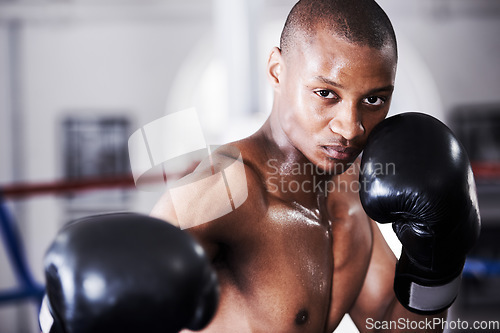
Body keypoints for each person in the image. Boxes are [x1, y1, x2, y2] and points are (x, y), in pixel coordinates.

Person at [150, 0, 480, 332]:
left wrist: (436, 264)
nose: (351, 128)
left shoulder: (350, 198)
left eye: (374, 100)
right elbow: (127, 297)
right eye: (325, 93)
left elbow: (394, 327)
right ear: (277, 72)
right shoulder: (221, 192)